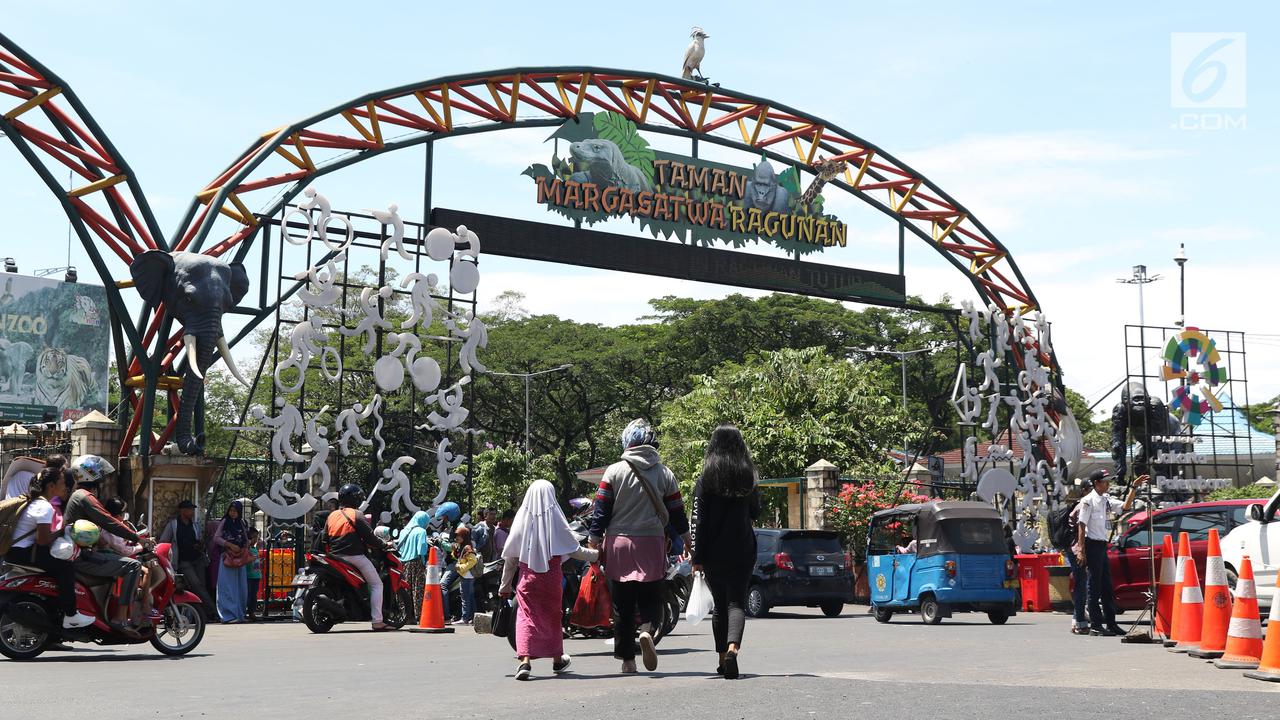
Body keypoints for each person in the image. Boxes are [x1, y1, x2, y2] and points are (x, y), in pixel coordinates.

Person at [588, 418, 689, 674]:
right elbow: (677, 512)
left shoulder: (613, 472)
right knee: (651, 596)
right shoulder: (665, 473)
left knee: (622, 603)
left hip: (619, 544)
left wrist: (594, 541)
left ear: (627, 442)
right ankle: (646, 630)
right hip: (652, 543)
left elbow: (601, 511)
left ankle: (627, 661)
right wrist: (688, 540)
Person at [500, 479, 599, 680]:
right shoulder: (557, 521)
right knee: (554, 617)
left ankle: (525, 661)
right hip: (552, 580)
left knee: (526, 617)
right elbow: (575, 550)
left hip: (528, 579)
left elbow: (511, 559)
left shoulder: (521, 520)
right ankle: (557, 659)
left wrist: (505, 586)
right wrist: (597, 555)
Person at [690, 425, 761, 680]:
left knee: (720, 606)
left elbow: (697, 521)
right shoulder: (749, 478)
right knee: (737, 603)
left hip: (713, 552)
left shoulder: (705, 480)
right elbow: (756, 512)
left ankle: (722, 659)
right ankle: (733, 650)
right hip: (742, 549)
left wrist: (697, 558)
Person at [63, 454, 150, 633]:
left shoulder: (79, 495)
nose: (103, 478)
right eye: (100, 473)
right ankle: (120, 618)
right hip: (81, 556)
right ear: (91, 475)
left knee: (115, 556)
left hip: (80, 553)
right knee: (133, 566)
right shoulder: (85, 497)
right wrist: (137, 538)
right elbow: (109, 521)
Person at [3, 467, 94, 629]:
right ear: (51, 486)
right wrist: (63, 530)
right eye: (62, 482)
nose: (65, 486)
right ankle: (71, 614)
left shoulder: (35, 501)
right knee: (65, 567)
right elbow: (43, 540)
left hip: (17, 551)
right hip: (23, 553)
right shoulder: (44, 507)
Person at [1075, 469, 1148, 636]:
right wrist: (1080, 550)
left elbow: (1125, 507)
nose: (1108, 484)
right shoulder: (1088, 501)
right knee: (1094, 586)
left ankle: (1111, 623)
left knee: (1107, 586)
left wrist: (1134, 488)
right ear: (1096, 483)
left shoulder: (1105, 499)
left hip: (1102, 546)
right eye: (1105, 481)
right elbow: (1082, 525)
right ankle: (1096, 625)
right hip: (1092, 545)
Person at [319, 484, 390, 630]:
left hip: (335, 558)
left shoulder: (332, 515)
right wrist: (383, 544)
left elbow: (324, 538)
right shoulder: (357, 515)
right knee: (377, 584)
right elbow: (370, 538)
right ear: (356, 499)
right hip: (355, 557)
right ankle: (377, 621)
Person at [101, 496, 160, 620]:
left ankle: (139, 602)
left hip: (115, 557)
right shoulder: (109, 527)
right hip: (111, 559)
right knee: (145, 570)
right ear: (118, 514)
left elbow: (124, 540)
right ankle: (144, 606)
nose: (124, 515)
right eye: (123, 512)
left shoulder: (113, 523)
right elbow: (124, 550)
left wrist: (141, 541)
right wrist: (141, 546)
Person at [159, 499, 217, 619]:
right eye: (189, 509)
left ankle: (200, 615)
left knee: (202, 586)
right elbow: (163, 541)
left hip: (197, 559)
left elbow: (199, 540)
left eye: (192, 509)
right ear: (182, 511)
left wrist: (199, 544)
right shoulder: (173, 525)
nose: (192, 512)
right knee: (196, 585)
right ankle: (213, 612)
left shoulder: (194, 525)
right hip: (183, 561)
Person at [214, 501, 251, 624]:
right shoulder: (225, 522)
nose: (233, 513)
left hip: (239, 558)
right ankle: (228, 615)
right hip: (228, 557)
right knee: (227, 587)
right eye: (231, 511)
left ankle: (239, 614)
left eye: (235, 511)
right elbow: (216, 538)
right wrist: (229, 545)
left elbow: (246, 538)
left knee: (241, 587)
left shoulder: (241, 523)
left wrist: (244, 546)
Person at [397, 510, 432, 619]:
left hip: (403, 564)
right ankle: (419, 615)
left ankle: (406, 615)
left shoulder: (403, 531)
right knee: (418, 590)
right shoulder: (421, 531)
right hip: (416, 563)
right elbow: (421, 550)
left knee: (405, 590)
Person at [444, 526, 479, 625]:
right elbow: (458, 557)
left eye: (458, 536)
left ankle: (465, 618)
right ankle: (472, 618)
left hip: (466, 575)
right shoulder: (463, 546)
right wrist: (454, 550)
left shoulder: (467, 547)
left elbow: (473, 560)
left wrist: (461, 567)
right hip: (466, 576)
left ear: (464, 536)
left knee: (465, 598)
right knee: (469, 597)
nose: (456, 538)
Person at [245, 528, 262, 621]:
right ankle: (246, 611)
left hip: (256, 575)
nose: (255, 539)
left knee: (254, 595)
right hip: (249, 576)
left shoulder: (255, 549)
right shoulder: (247, 549)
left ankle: (252, 612)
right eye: (254, 537)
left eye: (256, 537)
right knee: (248, 595)